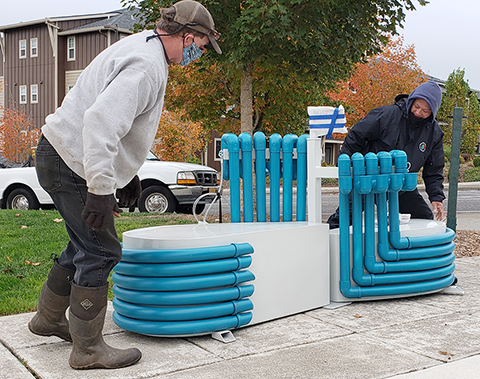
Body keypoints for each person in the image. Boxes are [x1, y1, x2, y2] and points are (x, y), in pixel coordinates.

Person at [28, 0, 221, 370]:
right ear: (187, 35)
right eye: (200, 44)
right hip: (71, 162)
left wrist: (126, 173)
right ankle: (87, 350)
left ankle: (48, 319)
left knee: (84, 243)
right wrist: (102, 190)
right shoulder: (147, 65)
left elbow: (120, 123)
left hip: (62, 156)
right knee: (101, 251)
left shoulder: (141, 46)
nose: (198, 53)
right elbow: (100, 122)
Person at [327, 81, 445, 229]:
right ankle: (328, 242)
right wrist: (345, 166)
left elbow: (434, 168)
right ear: (412, 101)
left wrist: (436, 197)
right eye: (416, 107)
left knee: (423, 217)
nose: (418, 112)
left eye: (425, 111)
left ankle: (406, 248)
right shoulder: (387, 115)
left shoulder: (434, 134)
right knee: (347, 215)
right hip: (369, 178)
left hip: (400, 183)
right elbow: (356, 136)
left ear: (432, 113)